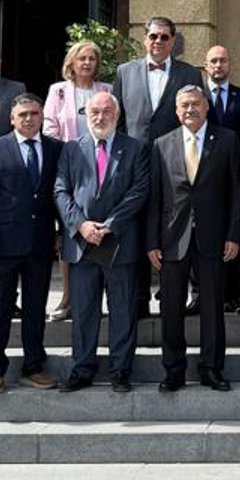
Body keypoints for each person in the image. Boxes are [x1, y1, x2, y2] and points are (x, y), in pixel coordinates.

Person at [146, 86, 240, 392]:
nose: (190, 109)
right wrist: (152, 242)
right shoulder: (161, 144)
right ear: (177, 111)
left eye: (195, 104)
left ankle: (211, 368)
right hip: (172, 239)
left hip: (214, 237)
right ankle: (173, 370)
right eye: (184, 105)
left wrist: (234, 235)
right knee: (171, 308)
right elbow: (155, 198)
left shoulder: (227, 140)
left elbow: (236, 193)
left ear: (206, 106)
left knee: (212, 308)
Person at [54, 91, 150, 391]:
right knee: (83, 311)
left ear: (117, 115)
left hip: (120, 242)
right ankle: (82, 368)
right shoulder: (71, 149)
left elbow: (139, 190)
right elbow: (60, 190)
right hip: (82, 244)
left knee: (123, 310)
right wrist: (81, 225)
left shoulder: (135, 148)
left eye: (106, 111)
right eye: (94, 111)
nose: (100, 117)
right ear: (86, 115)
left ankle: (121, 370)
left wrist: (108, 226)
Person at [0, 94, 63, 392]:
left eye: (34, 113)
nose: (28, 119)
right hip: (3, 242)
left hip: (41, 242)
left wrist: (62, 232)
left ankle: (33, 366)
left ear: (41, 117)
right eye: (22, 114)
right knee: (0, 306)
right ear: (12, 119)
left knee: (36, 306)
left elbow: (60, 194)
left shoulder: (55, 149)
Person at [42, 39, 112, 321]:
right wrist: (67, 156)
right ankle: (68, 298)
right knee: (70, 230)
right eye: (82, 58)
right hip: (69, 166)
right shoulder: (58, 91)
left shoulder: (107, 90)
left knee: (101, 230)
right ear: (71, 62)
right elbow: (49, 128)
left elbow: (114, 124)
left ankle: (98, 298)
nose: (87, 63)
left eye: (92, 59)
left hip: (102, 167)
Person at [203, 44, 240, 314]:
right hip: (202, 176)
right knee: (200, 236)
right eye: (213, 61)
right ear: (205, 66)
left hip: (234, 176)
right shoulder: (196, 96)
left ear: (229, 64)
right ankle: (199, 295)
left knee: (232, 233)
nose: (218, 65)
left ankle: (233, 297)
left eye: (222, 61)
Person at [116, 17, 204, 146]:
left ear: (172, 41)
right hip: (134, 151)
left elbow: (199, 116)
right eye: (153, 36)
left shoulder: (190, 74)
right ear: (145, 39)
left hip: (175, 150)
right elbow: (117, 116)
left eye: (164, 37)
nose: (158, 41)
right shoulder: (124, 72)